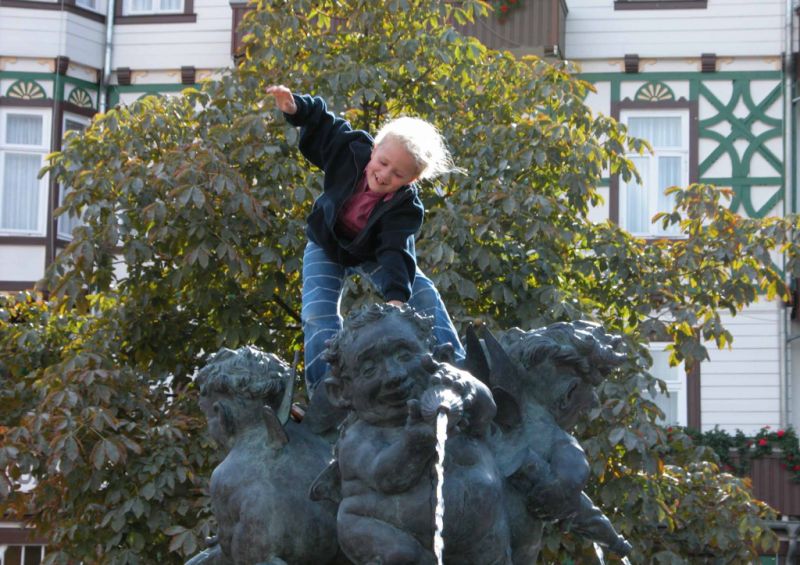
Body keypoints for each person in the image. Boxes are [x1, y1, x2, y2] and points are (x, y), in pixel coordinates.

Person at [266, 85, 465, 394]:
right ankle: (325, 392)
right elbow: (324, 121)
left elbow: (395, 250)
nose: (384, 176)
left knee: (423, 293)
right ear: (374, 149)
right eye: (383, 163)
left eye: (397, 175)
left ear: (411, 181)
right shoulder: (351, 150)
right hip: (327, 244)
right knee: (318, 314)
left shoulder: (405, 207)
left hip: (372, 251)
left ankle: (457, 368)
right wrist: (295, 108)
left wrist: (396, 298)